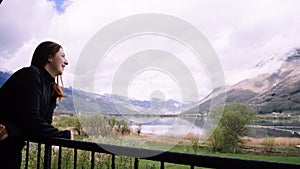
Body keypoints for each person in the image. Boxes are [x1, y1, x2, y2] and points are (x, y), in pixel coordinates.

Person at [0, 41, 73, 169]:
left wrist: (12, 130)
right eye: (62, 56)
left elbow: (40, 127)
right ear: (49, 57)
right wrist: (64, 136)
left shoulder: (52, 90)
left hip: (11, 151)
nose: (66, 62)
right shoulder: (31, 75)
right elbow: (31, 121)